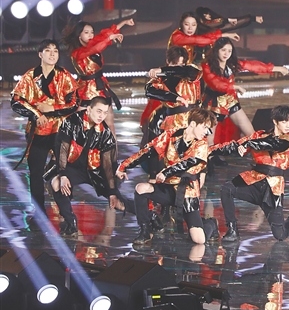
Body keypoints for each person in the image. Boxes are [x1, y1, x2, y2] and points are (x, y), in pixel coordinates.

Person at [116, 108, 219, 246]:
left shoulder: (202, 143)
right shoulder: (171, 135)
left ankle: (211, 223)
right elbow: (148, 151)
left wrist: (166, 172)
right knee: (141, 188)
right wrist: (123, 166)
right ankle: (145, 230)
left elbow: (187, 163)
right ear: (193, 124)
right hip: (167, 187)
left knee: (199, 240)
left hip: (186, 192)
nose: (207, 132)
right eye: (205, 127)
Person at [211, 105, 289, 242]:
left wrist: (249, 144)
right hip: (254, 180)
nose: (288, 125)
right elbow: (234, 146)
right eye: (284, 121)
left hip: (272, 188)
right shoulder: (259, 135)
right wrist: (210, 151)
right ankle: (232, 230)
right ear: (275, 121)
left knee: (280, 235)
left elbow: (272, 144)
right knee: (227, 189)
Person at [11, 39, 79, 217]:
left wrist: (53, 109)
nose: (52, 54)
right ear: (40, 54)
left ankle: (67, 213)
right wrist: (36, 114)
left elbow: (74, 103)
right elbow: (16, 101)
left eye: (55, 51)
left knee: (64, 171)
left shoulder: (64, 75)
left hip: (60, 130)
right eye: (48, 50)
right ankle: (39, 212)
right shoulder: (30, 76)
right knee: (36, 172)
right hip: (38, 131)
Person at [46, 97, 128, 237]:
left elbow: (107, 165)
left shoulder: (105, 132)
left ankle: (148, 217)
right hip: (70, 166)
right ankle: (71, 222)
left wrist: (112, 189)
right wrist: (63, 174)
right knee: (57, 184)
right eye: (99, 111)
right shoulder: (72, 122)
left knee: (117, 201)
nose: (101, 116)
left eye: (105, 112)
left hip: (94, 170)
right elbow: (62, 150)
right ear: (89, 109)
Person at [202, 37, 289, 144]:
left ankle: (251, 153)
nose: (226, 54)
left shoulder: (231, 65)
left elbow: (253, 66)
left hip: (230, 102)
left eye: (229, 51)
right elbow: (215, 83)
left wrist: (277, 68)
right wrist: (234, 87)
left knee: (250, 133)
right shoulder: (207, 66)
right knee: (209, 140)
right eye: (223, 50)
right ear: (216, 50)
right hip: (213, 105)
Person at [63, 18, 134, 131]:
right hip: (86, 90)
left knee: (109, 123)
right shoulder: (77, 52)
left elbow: (107, 33)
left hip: (101, 87)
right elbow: (95, 48)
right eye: (86, 32)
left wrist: (124, 23)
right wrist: (109, 38)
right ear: (79, 36)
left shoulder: (94, 42)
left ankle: (111, 142)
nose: (90, 35)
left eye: (92, 32)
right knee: (82, 125)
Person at [141, 46, 202, 146]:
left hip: (191, 119)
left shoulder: (191, 73)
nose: (177, 67)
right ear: (168, 61)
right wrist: (175, 98)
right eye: (174, 64)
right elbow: (149, 90)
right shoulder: (161, 78)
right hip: (170, 121)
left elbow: (185, 71)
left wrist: (161, 70)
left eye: (181, 64)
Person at [168, 11, 240, 64]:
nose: (190, 28)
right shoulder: (177, 36)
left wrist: (226, 32)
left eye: (193, 25)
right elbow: (199, 40)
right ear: (181, 24)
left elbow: (206, 34)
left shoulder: (192, 35)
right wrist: (225, 35)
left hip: (187, 71)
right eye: (186, 24)